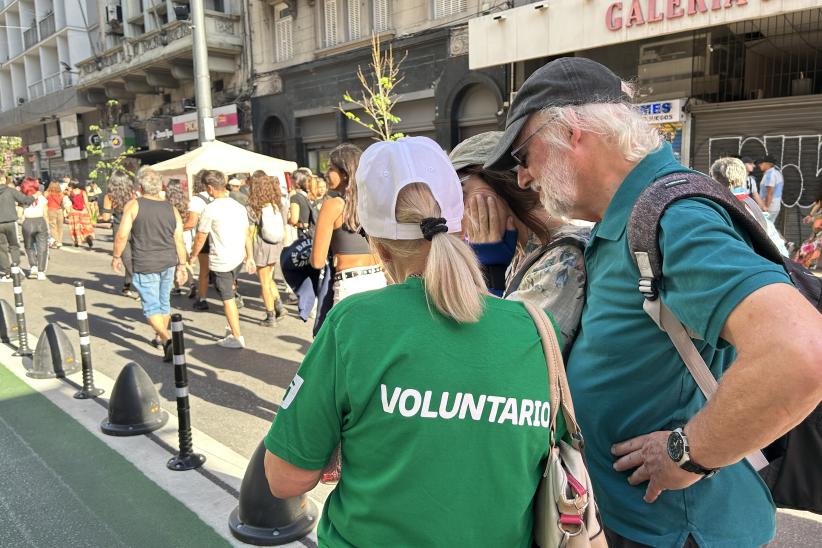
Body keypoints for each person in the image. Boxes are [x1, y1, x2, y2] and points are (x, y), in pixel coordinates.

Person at [483, 57, 822, 547]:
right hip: (642, 521)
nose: (523, 177)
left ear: (572, 131)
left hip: (679, 530)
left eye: (522, 155)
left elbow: (801, 354)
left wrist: (687, 453)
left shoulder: (673, 219)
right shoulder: (627, 216)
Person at [264, 136, 567, 547]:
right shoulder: (536, 328)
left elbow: (285, 478)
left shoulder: (353, 324)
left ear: (376, 243)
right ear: (462, 223)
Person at [450, 131, 588, 350]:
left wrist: (488, 271)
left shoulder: (565, 257)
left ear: (501, 180)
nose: (456, 208)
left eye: (460, 191)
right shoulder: (520, 250)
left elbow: (504, 353)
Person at [112, 168, 187, 362]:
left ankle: (167, 338)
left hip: (145, 262)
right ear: (160, 186)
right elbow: (179, 240)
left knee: (151, 306)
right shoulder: (172, 208)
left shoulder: (134, 205)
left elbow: (122, 235)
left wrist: (116, 256)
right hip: (168, 261)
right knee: (164, 302)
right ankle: (161, 339)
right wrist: (183, 265)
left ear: (139, 186)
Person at [310, 144, 386, 305]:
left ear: (344, 174)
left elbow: (317, 260)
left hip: (350, 285)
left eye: (331, 168)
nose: (326, 173)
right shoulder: (374, 202)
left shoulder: (333, 205)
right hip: (379, 280)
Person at [188, 170, 254, 349]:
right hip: (238, 256)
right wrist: (250, 257)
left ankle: (236, 336)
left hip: (222, 260)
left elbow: (200, 237)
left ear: (210, 188)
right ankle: (231, 326)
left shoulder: (210, 209)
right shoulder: (238, 206)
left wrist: (192, 256)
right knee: (230, 291)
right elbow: (247, 233)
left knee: (227, 298)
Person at [710, 157, 789, 257]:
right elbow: (781, 253)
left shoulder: (716, 206)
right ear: (742, 177)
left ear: (715, 179)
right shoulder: (751, 207)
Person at [247, 173, 287, 326]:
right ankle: (279, 306)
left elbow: (249, 233)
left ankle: (270, 316)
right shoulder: (278, 204)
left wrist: (248, 254)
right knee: (269, 278)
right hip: (276, 245)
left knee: (264, 282)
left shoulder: (253, 207)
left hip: (261, 247)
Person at [102, 172, 139, 298]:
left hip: (119, 227)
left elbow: (106, 217)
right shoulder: (132, 194)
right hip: (135, 227)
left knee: (127, 260)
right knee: (136, 258)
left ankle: (141, 289)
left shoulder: (109, 196)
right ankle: (127, 286)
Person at [185, 170, 213, 311]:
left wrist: (179, 229)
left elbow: (192, 222)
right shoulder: (219, 195)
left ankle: (202, 299)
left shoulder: (197, 200)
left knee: (204, 270)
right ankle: (233, 294)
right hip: (220, 235)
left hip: (205, 237)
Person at [0, 175, 34, 281]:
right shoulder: (10, 191)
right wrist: (34, 196)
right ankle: (15, 267)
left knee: (2, 249)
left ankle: (6, 272)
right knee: (14, 246)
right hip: (10, 222)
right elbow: (25, 200)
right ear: (4, 180)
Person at [165, 180, 192, 297]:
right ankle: (192, 284)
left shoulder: (166, 204)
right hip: (186, 233)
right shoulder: (186, 202)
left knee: (174, 263)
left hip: (173, 234)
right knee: (185, 262)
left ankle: (177, 288)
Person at [19, 178, 49, 280]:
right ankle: (41, 272)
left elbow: (19, 213)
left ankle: (33, 267)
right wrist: (47, 226)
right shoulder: (41, 197)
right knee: (42, 247)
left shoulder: (23, 197)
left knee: (29, 246)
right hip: (40, 221)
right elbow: (45, 213)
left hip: (27, 222)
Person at [288, 168, 317, 239]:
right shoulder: (308, 197)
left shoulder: (295, 197)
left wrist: (288, 220)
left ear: (296, 182)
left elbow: (294, 220)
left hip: (302, 235)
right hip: (311, 233)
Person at [66, 181, 95, 248]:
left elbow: (65, 194)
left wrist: (68, 189)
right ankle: (88, 236)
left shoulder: (70, 193)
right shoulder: (83, 192)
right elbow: (86, 203)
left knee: (76, 227)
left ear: (72, 186)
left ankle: (77, 241)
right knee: (85, 225)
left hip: (74, 211)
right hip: (83, 211)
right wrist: (90, 213)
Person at [757, 155, 784, 221]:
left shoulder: (770, 174)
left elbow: (770, 193)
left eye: (762, 163)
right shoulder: (777, 173)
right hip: (775, 206)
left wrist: (766, 207)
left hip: (769, 208)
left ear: (767, 164)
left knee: (765, 228)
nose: (759, 165)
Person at [45, 182, 65, 249]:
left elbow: (44, 202)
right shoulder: (61, 194)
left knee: (53, 226)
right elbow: (62, 203)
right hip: (59, 210)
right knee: (60, 226)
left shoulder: (47, 193)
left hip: (51, 210)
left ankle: (56, 241)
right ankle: (60, 241)